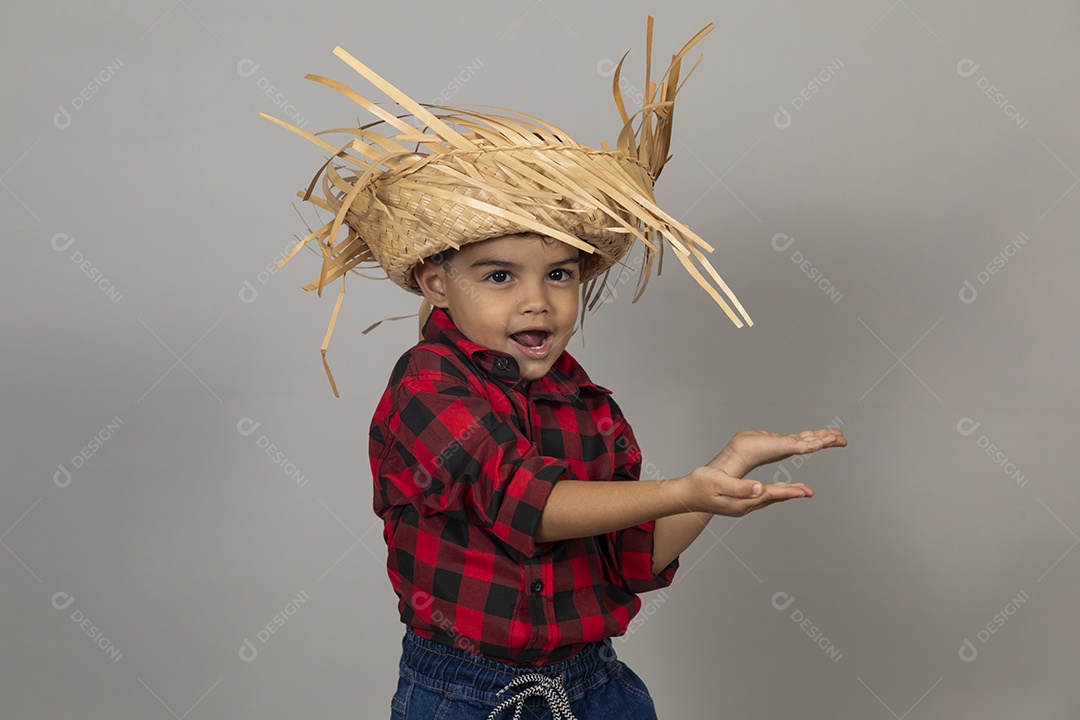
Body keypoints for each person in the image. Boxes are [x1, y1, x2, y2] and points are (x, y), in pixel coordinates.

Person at [262, 16, 846, 720]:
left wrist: (718, 474)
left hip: (596, 685)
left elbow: (634, 556)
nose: (537, 300)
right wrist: (677, 489)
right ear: (437, 283)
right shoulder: (427, 385)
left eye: (559, 274)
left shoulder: (588, 404)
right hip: (466, 693)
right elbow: (528, 504)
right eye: (499, 275)